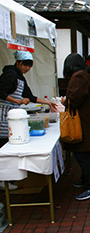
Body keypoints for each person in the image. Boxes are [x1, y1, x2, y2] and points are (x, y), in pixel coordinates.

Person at [0, 50, 57, 190]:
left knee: (10, 143)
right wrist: (17, 101)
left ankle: (8, 179)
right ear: (18, 63)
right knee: (3, 146)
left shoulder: (20, 77)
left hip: (12, 114)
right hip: (3, 115)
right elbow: (0, 92)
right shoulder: (10, 74)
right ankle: (3, 180)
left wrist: (47, 102)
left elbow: (29, 96)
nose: (27, 68)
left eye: (30, 66)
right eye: (25, 65)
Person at [62, 53, 90, 200]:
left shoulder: (78, 77)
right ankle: (85, 180)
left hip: (82, 122)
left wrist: (65, 101)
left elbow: (74, 100)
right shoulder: (87, 75)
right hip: (89, 121)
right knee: (83, 154)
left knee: (82, 155)